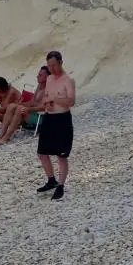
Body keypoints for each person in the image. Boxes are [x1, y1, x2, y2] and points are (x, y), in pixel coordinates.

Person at [35, 51, 75, 200]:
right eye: (49, 66)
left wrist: (55, 99)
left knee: (61, 156)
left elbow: (71, 101)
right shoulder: (50, 78)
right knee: (42, 152)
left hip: (62, 119)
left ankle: (61, 185)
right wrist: (47, 102)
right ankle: (51, 180)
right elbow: (47, 96)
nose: (52, 69)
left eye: (54, 65)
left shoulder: (68, 80)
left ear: (60, 63)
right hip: (49, 117)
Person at [0, 66, 50, 144]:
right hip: (33, 112)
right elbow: (31, 102)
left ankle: (6, 137)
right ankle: (1, 134)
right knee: (12, 106)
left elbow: (45, 107)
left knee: (19, 109)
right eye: (38, 74)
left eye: (40, 75)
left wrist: (28, 109)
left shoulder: (49, 89)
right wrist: (18, 104)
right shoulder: (39, 86)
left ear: (48, 77)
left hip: (42, 117)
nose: (37, 76)